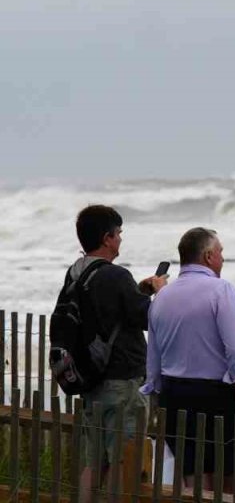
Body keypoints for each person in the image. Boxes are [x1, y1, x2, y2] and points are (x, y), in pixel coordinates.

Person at [59, 205, 168, 503]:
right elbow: (150, 319)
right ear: (107, 238)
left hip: (91, 378)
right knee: (124, 459)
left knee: (94, 462)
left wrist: (139, 292)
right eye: (118, 233)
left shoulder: (77, 272)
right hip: (122, 382)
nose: (120, 239)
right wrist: (161, 292)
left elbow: (108, 314)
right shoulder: (117, 275)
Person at [142, 227, 235, 491]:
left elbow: (153, 358)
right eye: (220, 252)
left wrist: (157, 397)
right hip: (215, 394)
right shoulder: (221, 290)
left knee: (193, 472)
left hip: (174, 393)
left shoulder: (162, 296)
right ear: (208, 256)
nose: (222, 258)